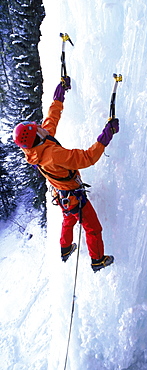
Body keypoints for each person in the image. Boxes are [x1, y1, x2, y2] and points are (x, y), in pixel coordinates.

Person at [13, 76, 119, 272]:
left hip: (63, 195)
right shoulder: (52, 155)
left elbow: (51, 118)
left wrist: (59, 94)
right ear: (35, 135)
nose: (39, 126)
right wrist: (106, 136)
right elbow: (87, 158)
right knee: (93, 228)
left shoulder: (35, 149)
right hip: (73, 196)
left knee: (69, 219)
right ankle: (97, 260)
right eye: (35, 128)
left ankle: (65, 248)